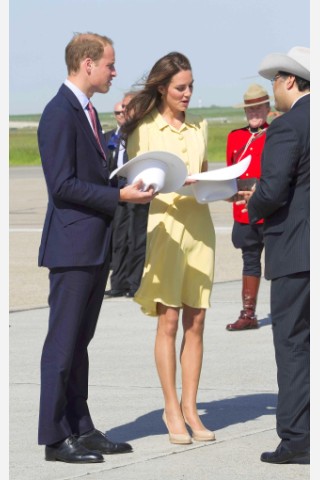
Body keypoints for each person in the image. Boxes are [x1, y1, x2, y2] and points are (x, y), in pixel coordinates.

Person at [37, 32, 156, 464]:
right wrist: (118, 199)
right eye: (109, 64)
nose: (114, 71)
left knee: (79, 343)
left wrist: (124, 184)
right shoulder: (59, 113)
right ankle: (54, 437)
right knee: (62, 344)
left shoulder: (84, 112)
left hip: (91, 245)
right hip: (71, 248)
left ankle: (80, 427)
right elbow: (62, 186)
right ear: (87, 64)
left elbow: (87, 177)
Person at [121, 52, 216, 445]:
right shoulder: (144, 131)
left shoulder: (199, 130)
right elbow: (134, 183)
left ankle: (191, 407)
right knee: (170, 321)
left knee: (195, 324)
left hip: (199, 230)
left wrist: (218, 187)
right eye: (181, 87)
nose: (188, 93)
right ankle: (170, 407)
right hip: (164, 229)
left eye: (191, 86)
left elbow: (207, 179)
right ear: (162, 88)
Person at [238, 46, 310, 464]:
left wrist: (253, 201)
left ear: (288, 81)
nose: (273, 91)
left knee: (294, 344)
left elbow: (275, 187)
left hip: (296, 253)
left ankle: (298, 438)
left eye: (274, 83)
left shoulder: (287, 127)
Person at [225, 84, 271, 331]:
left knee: (281, 265)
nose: (254, 113)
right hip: (244, 212)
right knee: (250, 260)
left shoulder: (275, 134)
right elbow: (230, 175)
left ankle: (293, 313)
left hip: (271, 210)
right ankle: (248, 313)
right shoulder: (235, 137)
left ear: (267, 109)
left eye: (258, 108)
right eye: (250, 109)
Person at [104, 92, 150, 298]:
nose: (123, 111)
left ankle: (134, 283)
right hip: (119, 187)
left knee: (137, 237)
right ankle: (118, 283)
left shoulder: (143, 131)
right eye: (121, 108)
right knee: (119, 236)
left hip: (138, 185)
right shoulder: (117, 134)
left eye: (127, 107)